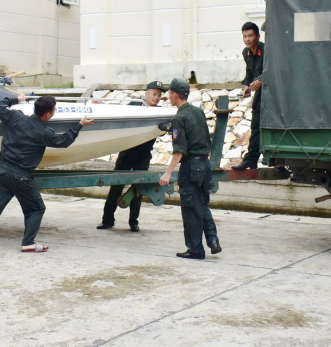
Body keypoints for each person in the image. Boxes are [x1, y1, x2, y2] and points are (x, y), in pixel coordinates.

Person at [0, 95, 94, 254]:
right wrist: (79, 125)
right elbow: (64, 141)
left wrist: (16, 99)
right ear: (47, 114)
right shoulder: (44, 132)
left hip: (1, 172)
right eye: (54, 111)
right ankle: (28, 243)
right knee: (36, 209)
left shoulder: (15, 117)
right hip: (20, 177)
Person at [159, 78, 222, 260]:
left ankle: (195, 249)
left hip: (191, 167)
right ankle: (213, 240)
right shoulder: (198, 112)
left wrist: (168, 171)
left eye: (169, 93)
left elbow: (179, 150)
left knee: (190, 209)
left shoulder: (179, 117)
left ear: (175, 95)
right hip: (205, 165)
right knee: (201, 205)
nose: (168, 96)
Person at [97, 81, 166, 232]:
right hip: (126, 152)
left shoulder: (160, 112)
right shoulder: (134, 105)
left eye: (159, 95)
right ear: (146, 93)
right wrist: (101, 104)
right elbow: (117, 113)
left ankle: (133, 221)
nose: (156, 98)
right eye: (154, 94)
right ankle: (107, 219)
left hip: (143, 155)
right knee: (116, 186)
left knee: (138, 189)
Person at [232, 21, 264, 170]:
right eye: (245, 36)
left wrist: (262, 80)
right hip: (260, 96)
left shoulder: (267, 50)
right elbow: (250, 73)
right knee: (256, 126)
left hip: (274, 96)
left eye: (250, 36)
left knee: (274, 127)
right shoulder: (246, 53)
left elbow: (276, 70)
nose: (247, 39)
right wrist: (247, 86)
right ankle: (251, 159)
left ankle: (278, 161)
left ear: (258, 35)